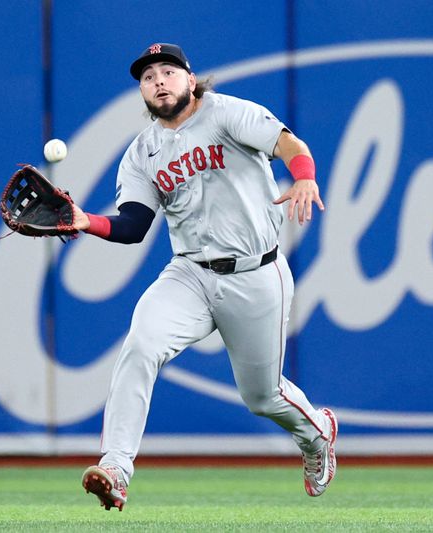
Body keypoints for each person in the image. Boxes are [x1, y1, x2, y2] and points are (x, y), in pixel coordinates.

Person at [73, 43, 337, 511]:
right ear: (142, 91)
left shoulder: (227, 114)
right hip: (190, 273)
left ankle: (317, 434)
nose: (159, 80)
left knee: (262, 396)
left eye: (169, 71)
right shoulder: (142, 154)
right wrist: (83, 220)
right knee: (140, 346)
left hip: (256, 273)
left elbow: (289, 144)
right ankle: (115, 468)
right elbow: (133, 225)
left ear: (190, 80)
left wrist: (306, 176)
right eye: (148, 75)